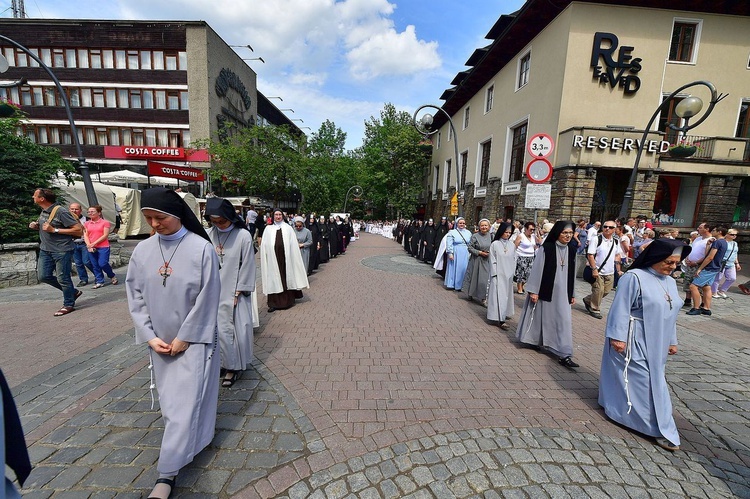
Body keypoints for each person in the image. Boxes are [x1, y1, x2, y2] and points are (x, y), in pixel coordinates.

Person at [125, 187, 221, 499]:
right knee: (172, 406)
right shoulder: (142, 252)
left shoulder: (200, 249)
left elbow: (208, 298)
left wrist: (185, 337)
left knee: (185, 405)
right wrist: (151, 336)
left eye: (160, 217)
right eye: (148, 218)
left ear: (177, 215)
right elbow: (135, 297)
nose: (154, 224)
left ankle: (166, 475)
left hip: (193, 341)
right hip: (160, 344)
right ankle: (194, 441)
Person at [599, 238, 690, 452]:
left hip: (657, 339)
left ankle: (625, 410)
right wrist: (617, 336)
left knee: (651, 380)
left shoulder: (668, 280)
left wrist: (672, 340)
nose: (673, 267)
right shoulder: (634, 277)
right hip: (634, 336)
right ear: (656, 257)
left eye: (676, 263)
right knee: (642, 381)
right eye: (669, 262)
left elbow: (670, 312)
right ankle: (654, 427)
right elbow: (620, 308)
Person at [204, 197, 256, 388]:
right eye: (214, 222)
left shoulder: (243, 236)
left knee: (233, 332)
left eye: (222, 221)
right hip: (211, 292)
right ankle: (220, 363)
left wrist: (238, 292)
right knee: (213, 331)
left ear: (230, 217)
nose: (218, 225)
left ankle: (233, 367)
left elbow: (248, 265)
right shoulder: (208, 234)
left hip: (234, 292)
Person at [516, 221, 579, 368]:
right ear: (557, 233)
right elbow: (537, 269)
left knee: (563, 321)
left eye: (570, 233)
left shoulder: (572, 250)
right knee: (540, 317)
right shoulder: (547, 248)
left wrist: (573, 293)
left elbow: (573, 273)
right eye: (565, 233)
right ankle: (533, 340)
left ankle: (564, 353)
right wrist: (534, 290)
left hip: (563, 292)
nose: (568, 236)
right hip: (546, 289)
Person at [28, 188, 84, 316]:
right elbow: (47, 226)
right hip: (46, 249)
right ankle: (73, 292)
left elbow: (78, 230)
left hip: (62, 250)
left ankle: (69, 303)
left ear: (42, 199)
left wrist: (54, 230)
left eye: (35, 195)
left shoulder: (61, 211)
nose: (32, 197)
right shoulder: (44, 210)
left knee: (63, 278)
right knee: (43, 276)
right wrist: (37, 226)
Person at [259, 209, 309, 312]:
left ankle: (287, 301)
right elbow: (264, 245)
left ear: (283, 216)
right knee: (274, 278)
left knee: (286, 277)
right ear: (273, 216)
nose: (278, 217)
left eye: (280, 215)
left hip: (286, 258)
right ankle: (273, 303)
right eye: (276, 215)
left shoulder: (288, 229)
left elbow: (293, 245)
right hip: (273, 258)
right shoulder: (268, 229)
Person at [582, 221, 624, 319]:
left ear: (614, 229)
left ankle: (588, 300)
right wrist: (594, 269)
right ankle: (595, 309)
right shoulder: (597, 239)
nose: (607, 229)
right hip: (598, 270)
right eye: (605, 226)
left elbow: (617, 255)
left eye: (610, 227)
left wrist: (618, 270)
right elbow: (590, 255)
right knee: (598, 290)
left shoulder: (616, 241)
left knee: (606, 291)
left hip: (610, 271)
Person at [687, 226, 728, 316]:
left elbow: (710, 257)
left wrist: (700, 268)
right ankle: (706, 308)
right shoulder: (724, 242)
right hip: (715, 268)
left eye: (714, 230)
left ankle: (696, 307)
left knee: (693, 286)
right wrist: (708, 245)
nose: (712, 232)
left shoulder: (718, 242)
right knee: (706, 287)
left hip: (709, 268)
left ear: (719, 232)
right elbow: (707, 254)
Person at [486, 222, 516, 331]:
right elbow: (492, 259)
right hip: (498, 274)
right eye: (506, 232)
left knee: (506, 296)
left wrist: (512, 272)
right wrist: (494, 273)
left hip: (508, 274)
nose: (508, 234)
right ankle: (498, 317)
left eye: (509, 233)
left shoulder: (512, 245)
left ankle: (505, 313)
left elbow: (514, 259)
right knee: (498, 295)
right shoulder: (495, 244)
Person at [84, 205, 118, 289]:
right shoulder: (86, 223)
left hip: (103, 246)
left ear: (99, 213)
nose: (90, 213)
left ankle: (111, 275)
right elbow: (85, 234)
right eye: (89, 212)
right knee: (94, 264)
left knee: (102, 263)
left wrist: (94, 243)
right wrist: (89, 244)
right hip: (91, 247)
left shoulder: (105, 223)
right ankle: (100, 281)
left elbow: (105, 235)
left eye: (92, 211)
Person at [462, 218, 492, 303]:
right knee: (473, 277)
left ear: (489, 226)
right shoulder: (475, 236)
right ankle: (470, 293)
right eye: (482, 225)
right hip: (476, 259)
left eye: (486, 225)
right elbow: (469, 247)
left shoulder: (491, 236)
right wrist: (479, 252)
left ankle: (483, 298)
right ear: (479, 227)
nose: (484, 227)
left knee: (484, 279)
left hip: (486, 260)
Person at [443, 217, 473, 291]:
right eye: (460, 223)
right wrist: (450, 253)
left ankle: (461, 285)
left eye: (463, 223)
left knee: (463, 268)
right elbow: (449, 243)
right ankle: (452, 284)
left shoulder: (468, 232)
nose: (462, 224)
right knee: (454, 267)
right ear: (457, 224)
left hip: (465, 252)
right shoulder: (452, 232)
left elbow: (470, 243)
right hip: (456, 251)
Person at [69, 202, 93, 286]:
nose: (74, 211)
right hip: (73, 244)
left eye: (76, 209)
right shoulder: (67, 219)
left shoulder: (87, 220)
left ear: (80, 210)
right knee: (78, 263)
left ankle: (98, 275)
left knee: (87, 261)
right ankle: (83, 279)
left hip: (84, 243)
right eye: (72, 209)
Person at [711, 229, 741, 299]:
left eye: (735, 235)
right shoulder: (723, 242)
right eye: (732, 234)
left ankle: (722, 290)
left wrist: (737, 263)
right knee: (718, 278)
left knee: (732, 278)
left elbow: (735, 253)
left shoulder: (735, 243)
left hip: (731, 263)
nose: (734, 236)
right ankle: (714, 291)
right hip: (722, 262)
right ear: (727, 234)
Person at [513, 222, 537, 294]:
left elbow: (537, 244)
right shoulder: (521, 236)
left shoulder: (533, 236)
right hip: (522, 256)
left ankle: (522, 285)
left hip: (531, 256)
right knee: (521, 273)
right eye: (530, 229)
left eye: (533, 229)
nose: (532, 231)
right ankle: (519, 288)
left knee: (528, 274)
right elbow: (515, 246)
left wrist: (538, 234)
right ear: (526, 229)